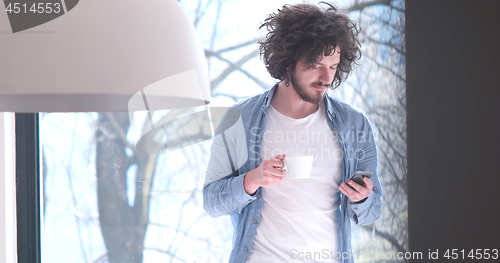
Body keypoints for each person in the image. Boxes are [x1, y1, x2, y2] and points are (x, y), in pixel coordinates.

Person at [203, 3, 382, 263]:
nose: (326, 77)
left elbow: (372, 211)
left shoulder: (354, 124)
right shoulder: (238, 120)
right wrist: (252, 180)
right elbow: (211, 202)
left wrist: (363, 199)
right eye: (316, 65)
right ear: (288, 61)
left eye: (332, 66)